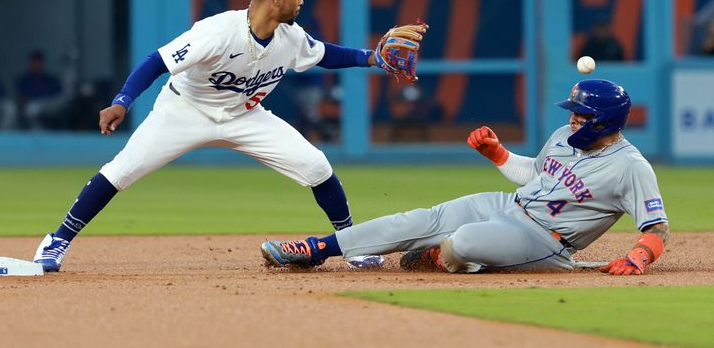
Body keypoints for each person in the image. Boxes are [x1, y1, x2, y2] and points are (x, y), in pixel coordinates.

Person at [33, 0, 428, 272]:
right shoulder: (218, 31)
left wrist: (373, 58)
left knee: (316, 166)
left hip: (245, 116)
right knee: (121, 171)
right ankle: (57, 240)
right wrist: (123, 100)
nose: (302, 0)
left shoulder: (290, 37)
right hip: (184, 111)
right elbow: (158, 60)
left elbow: (326, 54)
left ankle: (353, 243)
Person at [261, 79, 669, 276]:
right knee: (418, 220)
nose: (573, 118)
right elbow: (534, 175)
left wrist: (638, 255)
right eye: (572, 111)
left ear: (606, 121)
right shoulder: (563, 136)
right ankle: (319, 247)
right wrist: (499, 154)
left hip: (545, 239)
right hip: (508, 206)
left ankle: (444, 257)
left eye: (582, 114)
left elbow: (657, 228)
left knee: (463, 242)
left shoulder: (630, 166)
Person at [17, 49, 63, 129]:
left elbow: (59, 97)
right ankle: (39, 134)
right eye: (34, 62)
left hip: (51, 105)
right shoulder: (24, 80)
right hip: (36, 105)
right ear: (30, 63)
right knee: (31, 109)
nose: (36, 64)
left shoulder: (50, 79)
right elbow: (24, 99)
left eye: (38, 61)